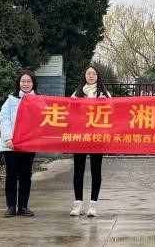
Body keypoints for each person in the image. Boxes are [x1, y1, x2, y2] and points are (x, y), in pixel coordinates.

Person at [69, 65, 111, 217]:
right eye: (88, 73)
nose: (91, 75)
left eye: (94, 73)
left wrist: (105, 103)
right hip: (80, 137)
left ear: (98, 76)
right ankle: (78, 204)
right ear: (84, 76)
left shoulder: (104, 94)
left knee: (96, 170)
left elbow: (113, 114)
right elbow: (70, 115)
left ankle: (93, 205)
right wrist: (73, 104)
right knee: (78, 170)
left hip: (97, 137)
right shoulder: (77, 93)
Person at [0, 70, 39, 218]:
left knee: (25, 175)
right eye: (23, 81)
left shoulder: (39, 100)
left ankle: (23, 206)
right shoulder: (11, 100)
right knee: (11, 175)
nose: (26, 84)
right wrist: (8, 138)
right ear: (18, 83)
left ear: (33, 83)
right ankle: (11, 206)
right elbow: (4, 119)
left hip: (28, 144)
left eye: (28, 81)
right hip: (11, 145)